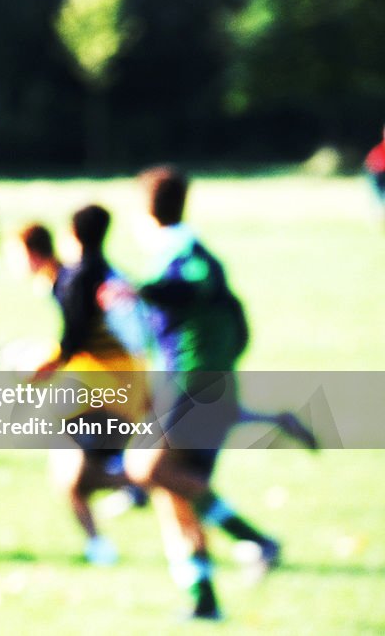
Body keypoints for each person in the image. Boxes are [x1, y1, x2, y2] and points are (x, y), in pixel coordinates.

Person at [117, 165, 283, 620]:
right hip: (197, 380)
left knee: (143, 465)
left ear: (146, 211)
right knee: (175, 491)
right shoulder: (176, 251)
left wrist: (142, 290)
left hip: (196, 382)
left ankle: (253, 538)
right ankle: (203, 598)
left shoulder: (184, 252)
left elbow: (191, 286)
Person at [17, 210, 148, 566]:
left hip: (98, 389)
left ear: (72, 234)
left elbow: (73, 340)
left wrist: (41, 369)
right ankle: (134, 484)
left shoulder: (76, 279)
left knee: (69, 476)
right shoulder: (115, 275)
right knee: (74, 472)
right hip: (131, 386)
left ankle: (139, 486)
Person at [362, 124, 385, 227]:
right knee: (378, 197)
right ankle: (379, 219)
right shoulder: (379, 149)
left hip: (377, 170)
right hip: (376, 171)